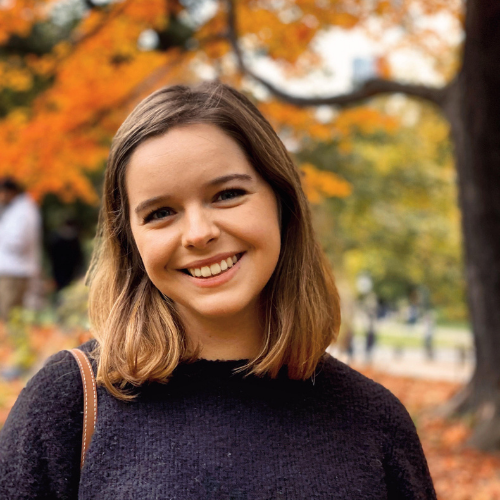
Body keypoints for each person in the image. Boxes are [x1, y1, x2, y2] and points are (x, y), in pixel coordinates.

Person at [0, 82, 436, 499]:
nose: (198, 233)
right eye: (161, 213)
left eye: (227, 194)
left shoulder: (373, 421)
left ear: (281, 202)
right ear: (130, 240)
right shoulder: (68, 405)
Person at [0, 178, 42, 322]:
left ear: (9, 192)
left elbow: (18, 242)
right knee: (12, 315)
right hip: (14, 270)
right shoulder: (20, 209)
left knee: (9, 315)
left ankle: (12, 344)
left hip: (15, 272)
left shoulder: (23, 211)